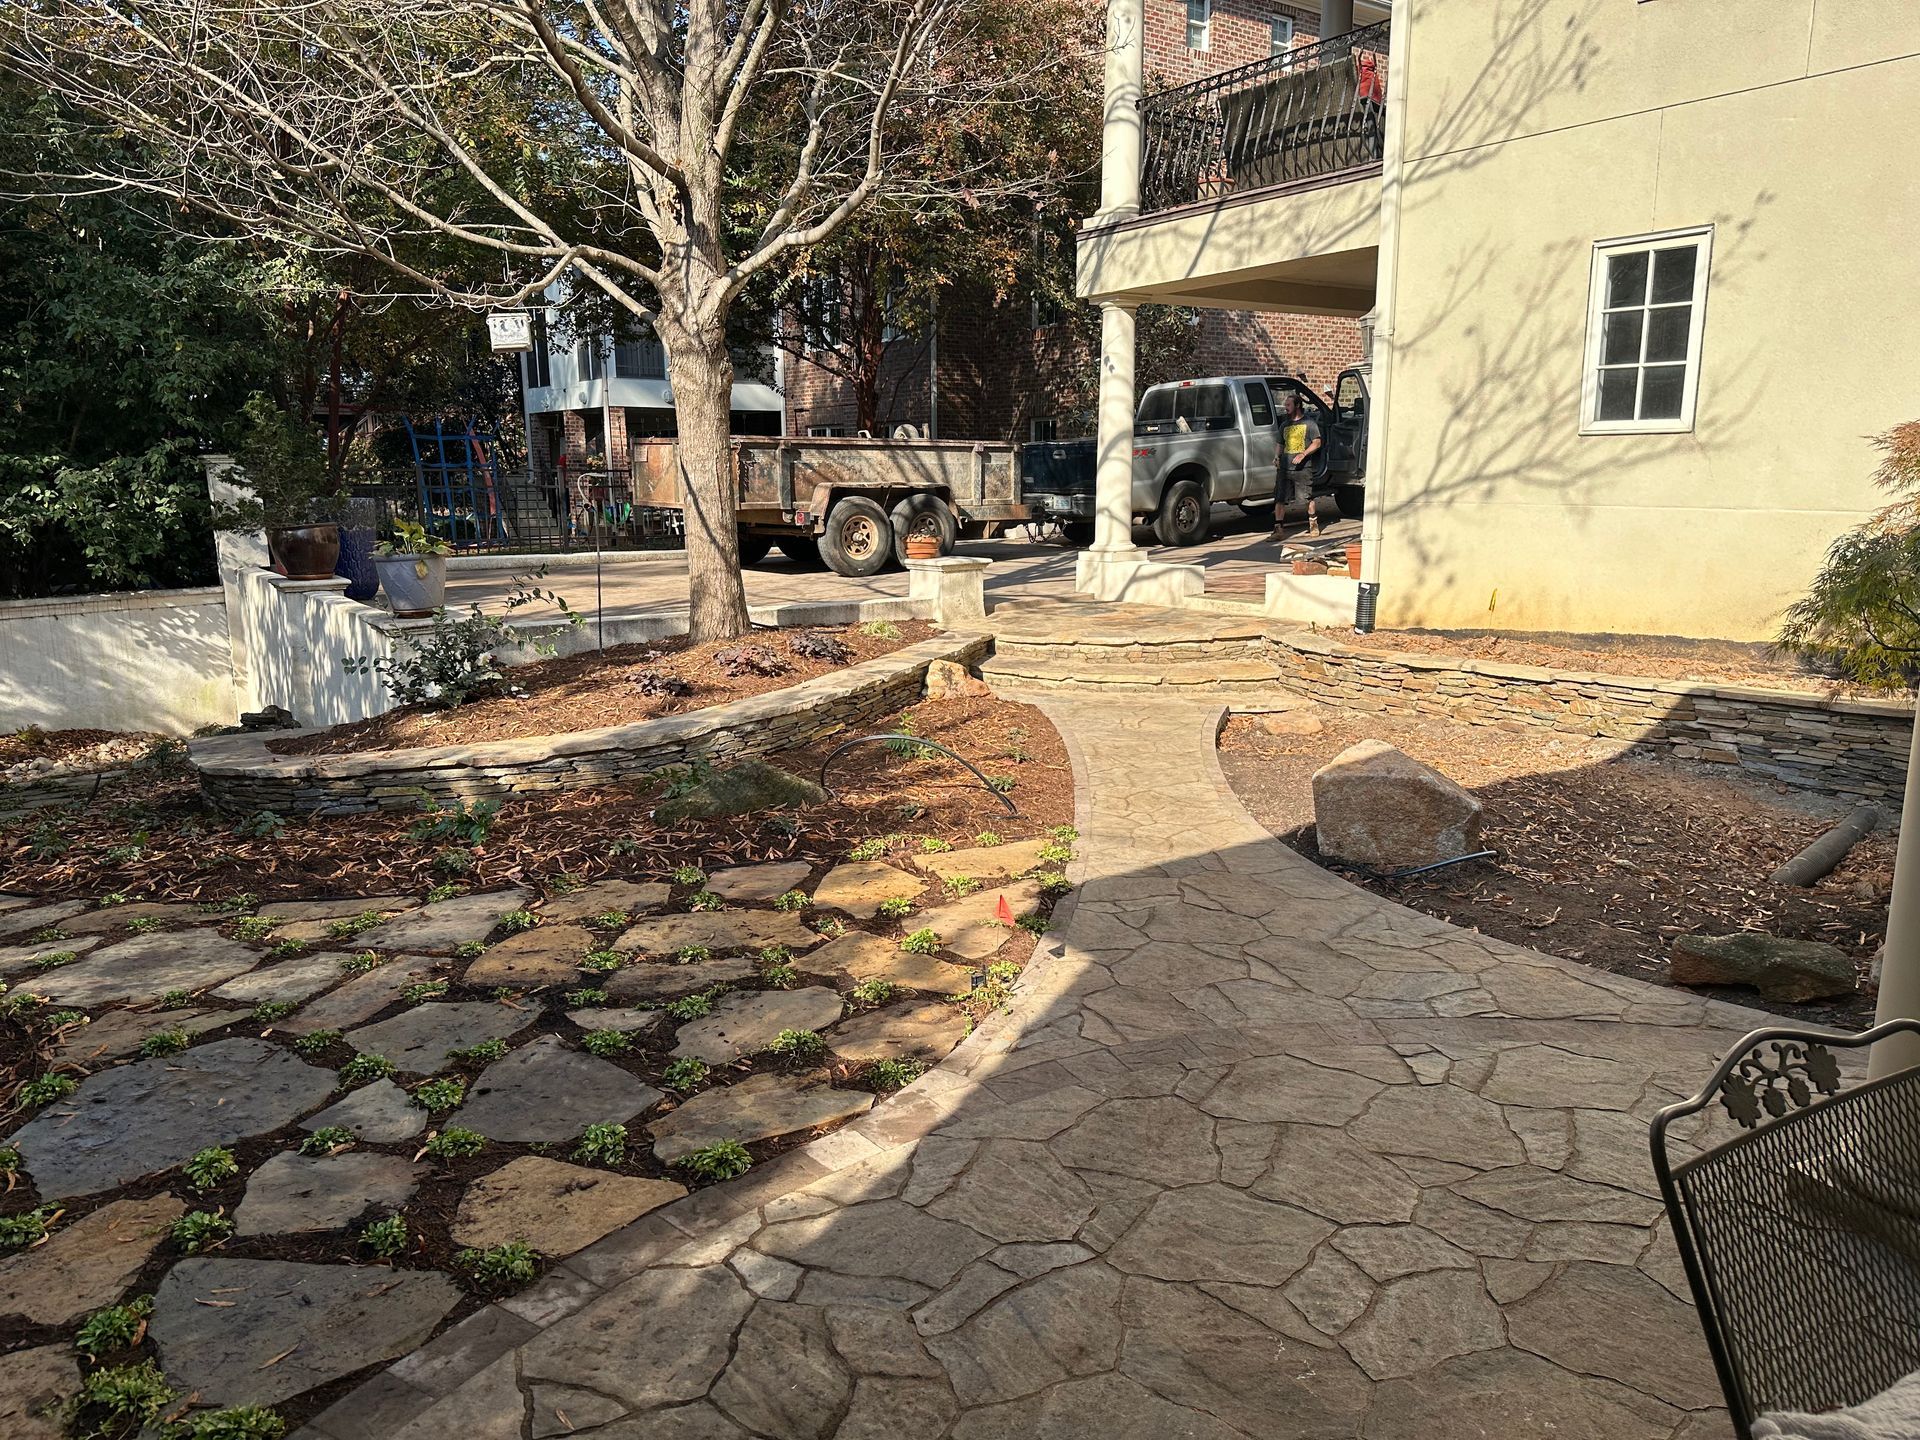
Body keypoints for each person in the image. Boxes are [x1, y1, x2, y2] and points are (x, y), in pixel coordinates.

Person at [1275, 390, 1323, 538]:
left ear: (1297, 405)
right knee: (1279, 498)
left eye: (1288, 404)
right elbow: (1280, 443)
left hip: (1302, 469)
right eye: (1285, 405)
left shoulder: (1309, 423)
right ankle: (1278, 530)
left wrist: (1303, 454)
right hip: (1284, 468)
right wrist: (1277, 456)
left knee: (1306, 498)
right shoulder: (1284, 425)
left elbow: (1317, 442)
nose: (1286, 407)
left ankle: (1313, 525)